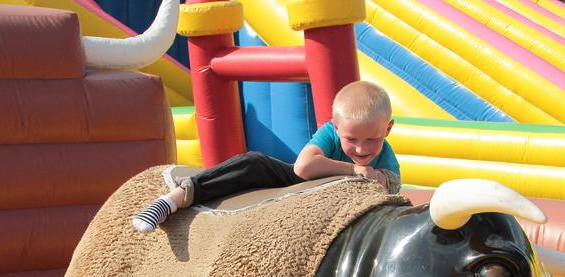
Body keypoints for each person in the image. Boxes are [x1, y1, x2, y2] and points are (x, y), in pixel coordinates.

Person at [133, 81, 401, 233]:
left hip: (327, 208)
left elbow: (390, 188)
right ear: (336, 127)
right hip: (301, 183)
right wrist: (353, 170)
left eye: (372, 139)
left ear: (387, 129)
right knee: (254, 162)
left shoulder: (387, 160)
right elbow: (303, 167)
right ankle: (174, 199)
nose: (361, 149)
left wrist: (379, 179)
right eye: (351, 140)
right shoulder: (330, 134)